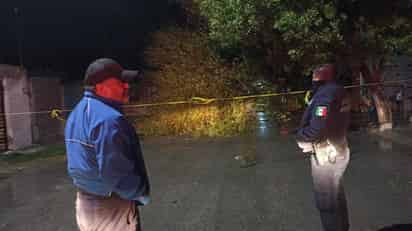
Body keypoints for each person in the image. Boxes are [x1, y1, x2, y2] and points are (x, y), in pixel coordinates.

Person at [65, 58, 150, 231]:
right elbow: (117, 173)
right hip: (111, 208)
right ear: (100, 86)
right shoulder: (108, 120)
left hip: (86, 204)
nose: (126, 86)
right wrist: (139, 194)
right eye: (120, 82)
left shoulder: (78, 111)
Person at [296, 64, 351, 231]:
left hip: (326, 153)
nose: (313, 74)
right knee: (336, 196)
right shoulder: (340, 91)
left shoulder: (326, 93)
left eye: (317, 72)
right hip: (338, 148)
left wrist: (301, 137)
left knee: (326, 201)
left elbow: (318, 125)